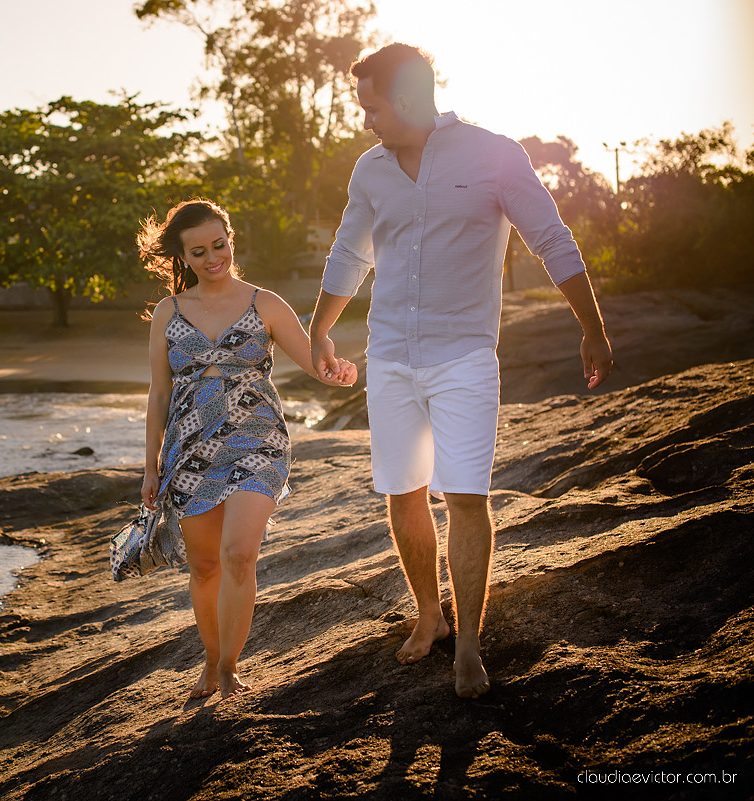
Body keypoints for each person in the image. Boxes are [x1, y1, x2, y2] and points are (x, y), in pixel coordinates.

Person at [308, 43, 613, 699]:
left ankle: (469, 645)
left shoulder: (494, 155)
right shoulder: (370, 170)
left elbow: (551, 238)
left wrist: (591, 326)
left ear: (410, 99)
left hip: (465, 358)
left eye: (372, 107)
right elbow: (348, 253)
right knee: (404, 490)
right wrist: (319, 326)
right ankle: (430, 613)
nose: (366, 122)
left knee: (466, 496)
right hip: (390, 354)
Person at [138, 198, 358, 700]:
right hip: (191, 449)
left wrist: (339, 372)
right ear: (183, 256)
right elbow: (159, 393)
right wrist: (150, 467)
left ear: (230, 239)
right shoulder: (168, 313)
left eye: (220, 244)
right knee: (204, 566)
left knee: (238, 554)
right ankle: (211, 659)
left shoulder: (266, 303)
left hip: (258, 440)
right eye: (199, 252)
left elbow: (313, 364)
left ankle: (230, 669)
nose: (213, 258)